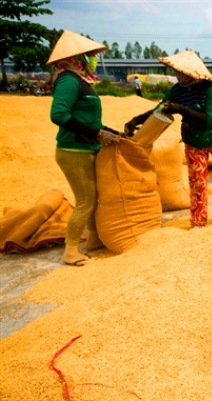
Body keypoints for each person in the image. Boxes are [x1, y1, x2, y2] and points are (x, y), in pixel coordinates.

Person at [124, 50, 212, 228]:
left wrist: (181, 109)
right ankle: (199, 224)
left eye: (181, 72)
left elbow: (208, 120)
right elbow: (159, 110)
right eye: (177, 72)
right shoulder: (177, 91)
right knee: (198, 185)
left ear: (191, 72)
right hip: (193, 143)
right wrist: (136, 120)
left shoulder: (211, 89)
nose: (178, 75)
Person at [47, 29, 123, 266]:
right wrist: (97, 134)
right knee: (85, 201)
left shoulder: (81, 80)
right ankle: (70, 251)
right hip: (74, 151)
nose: (93, 59)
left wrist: (109, 132)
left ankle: (93, 239)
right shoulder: (69, 80)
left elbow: (90, 120)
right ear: (77, 57)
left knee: (93, 197)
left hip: (87, 148)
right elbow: (58, 114)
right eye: (89, 55)